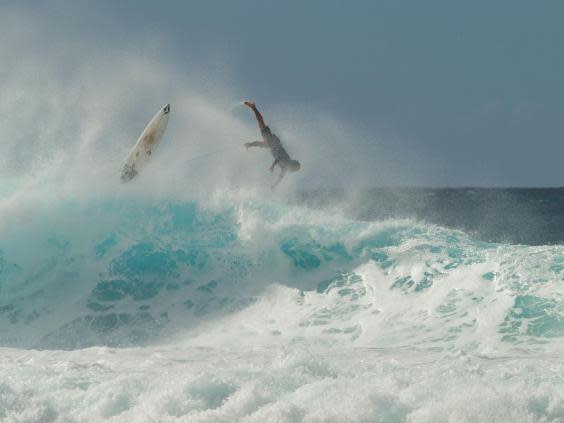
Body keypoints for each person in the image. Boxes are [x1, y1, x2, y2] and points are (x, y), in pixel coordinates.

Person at [243, 101, 300, 188]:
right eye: (293, 169)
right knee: (262, 126)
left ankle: (249, 145)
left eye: (293, 170)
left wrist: (274, 185)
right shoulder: (287, 160)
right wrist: (272, 166)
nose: (291, 170)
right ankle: (253, 107)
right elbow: (279, 158)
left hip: (272, 144)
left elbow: (280, 177)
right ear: (292, 165)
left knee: (262, 143)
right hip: (274, 143)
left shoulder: (285, 168)